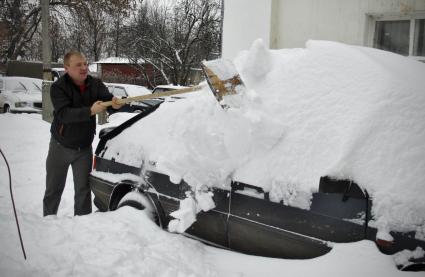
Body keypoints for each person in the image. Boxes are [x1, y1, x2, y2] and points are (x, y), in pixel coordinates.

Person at [43, 51, 122, 216]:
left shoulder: (95, 84)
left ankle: (82, 224)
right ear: (66, 68)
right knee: (53, 189)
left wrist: (115, 103)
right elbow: (64, 114)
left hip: (84, 149)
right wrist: (90, 111)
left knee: (83, 190)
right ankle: (47, 223)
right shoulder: (58, 88)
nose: (84, 67)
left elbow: (107, 99)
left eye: (85, 63)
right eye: (78, 64)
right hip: (60, 146)